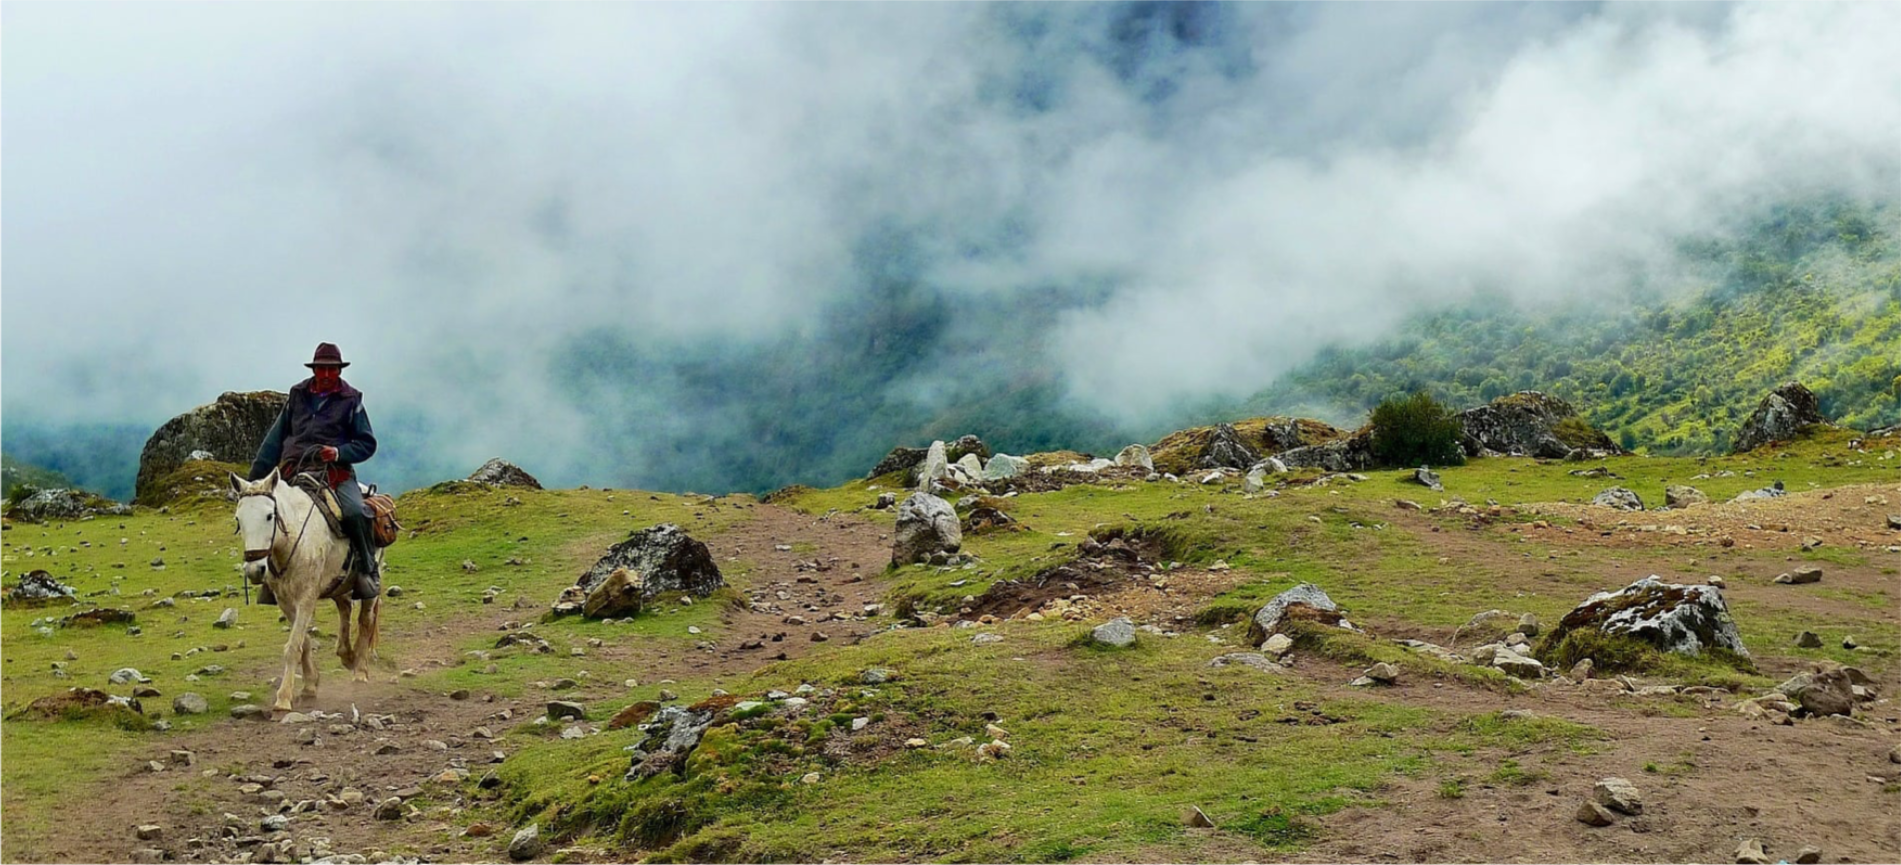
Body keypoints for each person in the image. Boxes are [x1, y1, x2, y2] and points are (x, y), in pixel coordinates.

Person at [248, 342, 381, 602]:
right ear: (315, 369)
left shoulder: (351, 399)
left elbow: (367, 443)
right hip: (293, 469)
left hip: (334, 473)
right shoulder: (297, 395)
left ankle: (367, 571)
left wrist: (339, 452)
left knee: (356, 512)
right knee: (270, 514)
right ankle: (271, 581)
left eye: (333, 370)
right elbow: (274, 440)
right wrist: (254, 481)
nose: (327, 375)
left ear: (339, 371)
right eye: (322, 369)